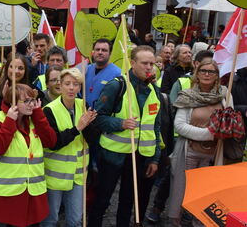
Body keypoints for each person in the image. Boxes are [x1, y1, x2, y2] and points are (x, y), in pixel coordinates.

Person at [88, 45, 163, 227]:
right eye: (144, 63)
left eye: (152, 64)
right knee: (103, 199)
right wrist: (119, 124)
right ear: (132, 63)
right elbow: (97, 118)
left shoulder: (155, 90)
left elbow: (156, 127)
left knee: (128, 201)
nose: (149, 67)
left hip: (138, 156)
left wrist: (154, 158)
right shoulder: (117, 85)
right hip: (113, 155)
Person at [0, 83, 56, 227]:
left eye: (32, 100)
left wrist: (39, 115)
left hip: (31, 191)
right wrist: (9, 121)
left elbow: (51, 141)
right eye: (26, 101)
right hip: (4, 193)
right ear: (12, 102)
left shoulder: (35, 119)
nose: (31, 104)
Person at [168, 59, 227, 227]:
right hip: (189, 152)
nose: (207, 74)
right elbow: (179, 126)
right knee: (183, 191)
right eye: (203, 71)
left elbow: (228, 120)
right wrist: (209, 134)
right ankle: (177, 220)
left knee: (207, 192)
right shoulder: (188, 95)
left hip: (214, 155)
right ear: (197, 73)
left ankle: (199, 221)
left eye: (211, 72)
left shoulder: (224, 94)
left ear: (217, 76)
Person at [42, 68, 97, 227]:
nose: (71, 88)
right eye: (67, 84)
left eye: (76, 84)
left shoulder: (83, 104)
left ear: (80, 87)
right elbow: (53, 143)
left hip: (78, 174)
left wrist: (87, 126)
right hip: (55, 176)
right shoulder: (49, 110)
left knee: (75, 220)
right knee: (50, 220)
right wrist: (77, 128)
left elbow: (93, 139)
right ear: (60, 85)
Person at [85, 39, 122, 109]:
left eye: (104, 50)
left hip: (104, 116)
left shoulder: (118, 74)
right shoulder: (85, 70)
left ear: (110, 53)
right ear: (93, 52)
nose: (100, 52)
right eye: (97, 49)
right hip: (84, 115)